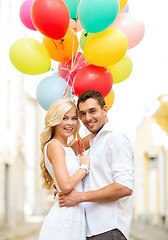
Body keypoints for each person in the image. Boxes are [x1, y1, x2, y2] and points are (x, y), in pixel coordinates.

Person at [58, 90, 134, 240]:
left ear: (104, 110)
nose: (88, 118)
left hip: (109, 228)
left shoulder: (115, 138)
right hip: (91, 229)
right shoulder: (94, 141)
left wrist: (79, 197)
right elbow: (65, 152)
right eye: (82, 114)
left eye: (92, 111)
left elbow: (124, 187)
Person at [38, 98, 90, 240]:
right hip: (63, 223)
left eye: (74, 118)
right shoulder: (55, 146)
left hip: (74, 220)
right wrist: (84, 167)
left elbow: (93, 136)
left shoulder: (67, 148)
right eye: (64, 118)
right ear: (54, 120)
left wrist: (79, 104)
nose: (70, 123)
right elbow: (65, 186)